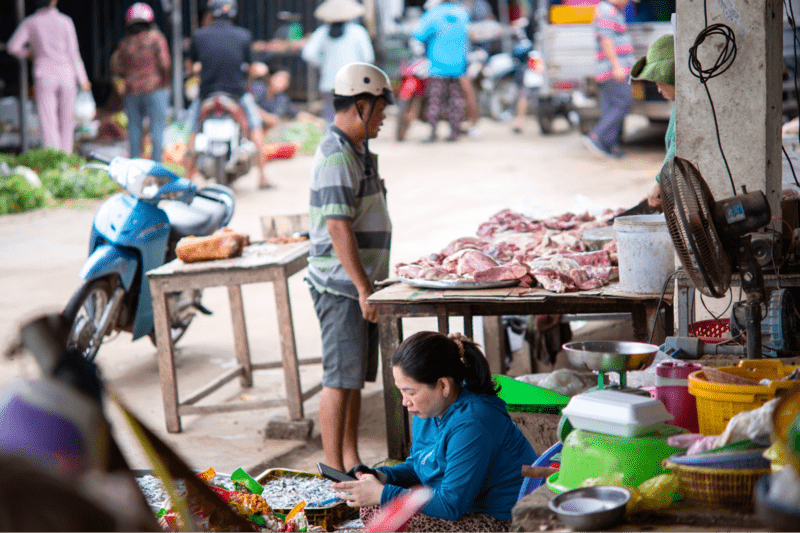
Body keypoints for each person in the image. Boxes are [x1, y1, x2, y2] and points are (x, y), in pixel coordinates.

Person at [334, 331, 536, 533]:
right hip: (464, 506)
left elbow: (451, 505)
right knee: (375, 507)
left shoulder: (473, 422)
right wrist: (381, 476)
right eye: (401, 391)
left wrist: (382, 493)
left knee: (386, 513)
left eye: (411, 392)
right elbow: (420, 466)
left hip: (503, 519)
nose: (405, 401)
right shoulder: (429, 410)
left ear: (442, 385)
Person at [307, 63, 393, 473]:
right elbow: (338, 226)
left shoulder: (357, 150)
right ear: (361, 105)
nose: (383, 118)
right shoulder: (336, 156)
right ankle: (334, 472)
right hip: (341, 286)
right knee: (339, 379)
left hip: (360, 285)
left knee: (353, 377)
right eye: (379, 110)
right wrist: (362, 287)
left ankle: (351, 459)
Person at [184, 0, 269, 188]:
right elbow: (251, 66)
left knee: (193, 130)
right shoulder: (243, 35)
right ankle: (263, 177)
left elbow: (190, 65)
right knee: (255, 126)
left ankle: (187, 178)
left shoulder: (198, 35)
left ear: (211, 14)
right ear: (233, 13)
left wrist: (196, 71)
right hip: (236, 94)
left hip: (207, 94)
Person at [7, 0, 91, 154]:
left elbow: (12, 46)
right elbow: (74, 53)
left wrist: (29, 53)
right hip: (67, 75)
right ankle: (66, 158)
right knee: (67, 122)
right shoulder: (65, 21)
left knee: (48, 123)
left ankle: (53, 158)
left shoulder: (31, 22)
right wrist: (83, 79)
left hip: (44, 75)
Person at [110, 3, 171, 162]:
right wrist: (164, 83)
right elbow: (165, 63)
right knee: (156, 131)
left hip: (132, 92)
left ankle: (135, 169)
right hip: (155, 89)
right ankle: (156, 168)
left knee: (134, 131)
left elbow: (117, 68)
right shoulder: (156, 38)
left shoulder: (125, 44)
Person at [301, 0, 375, 124]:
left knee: (331, 119)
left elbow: (308, 54)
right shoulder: (358, 31)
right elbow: (368, 58)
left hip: (329, 83)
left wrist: (322, 64)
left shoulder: (322, 31)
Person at [582, 0, 635, 158]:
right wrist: (616, 66)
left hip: (609, 69)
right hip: (612, 70)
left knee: (610, 107)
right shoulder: (607, 11)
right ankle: (596, 136)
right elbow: (606, 39)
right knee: (623, 102)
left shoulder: (612, 10)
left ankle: (609, 146)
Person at [413, 0, 471, 142]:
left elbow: (418, 35)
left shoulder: (432, 14)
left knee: (435, 100)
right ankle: (454, 133)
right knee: (455, 99)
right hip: (458, 64)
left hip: (437, 64)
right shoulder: (462, 13)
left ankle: (433, 133)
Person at [630, 34, 675, 210]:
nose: (658, 89)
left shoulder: (690, 108)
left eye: (658, 81)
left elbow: (679, 147)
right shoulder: (679, 105)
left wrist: (660, 183)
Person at [251, 69, 324, 132]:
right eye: (281, 78)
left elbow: (297, 113)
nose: (285, 82)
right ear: (270, 77)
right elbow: (249, 105)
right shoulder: (259, 88)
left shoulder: (282, 98)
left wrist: (316, 120)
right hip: (252, 128)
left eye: (287, 80)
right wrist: (267, 117)